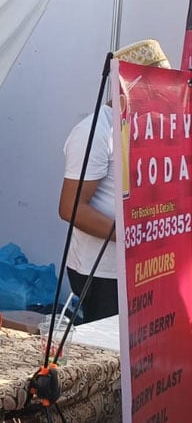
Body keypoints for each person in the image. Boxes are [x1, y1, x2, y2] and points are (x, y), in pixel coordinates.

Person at [58, 39, 169, 324]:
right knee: (107, 356)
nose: (163, 96)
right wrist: (133, 236)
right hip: (102, 271)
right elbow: (71, 208)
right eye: (157, 87)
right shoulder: (95, 131)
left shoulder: (141, 126)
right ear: (131, 84)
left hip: (137, 266)